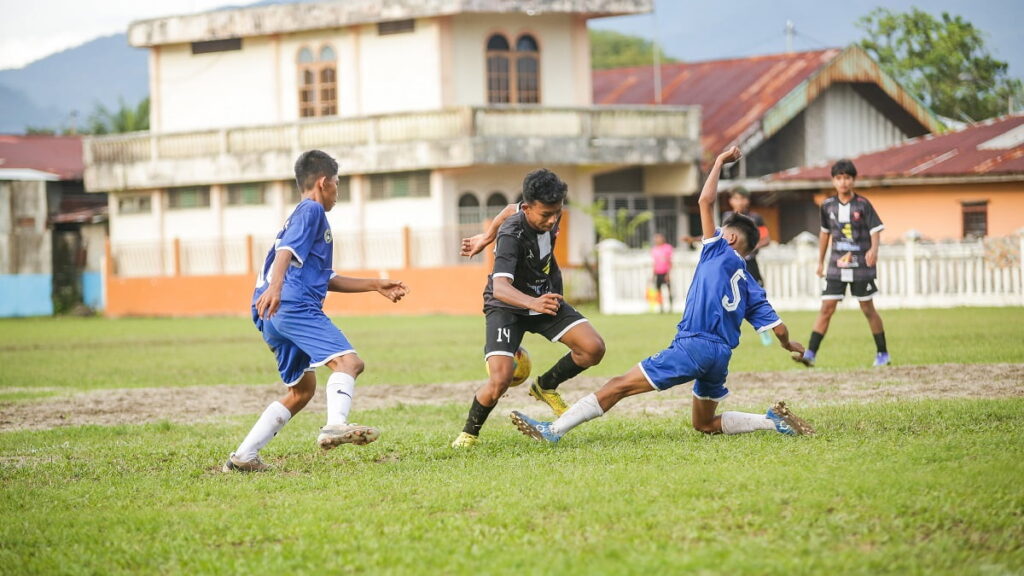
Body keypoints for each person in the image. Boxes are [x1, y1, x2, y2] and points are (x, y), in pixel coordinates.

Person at [508, 147, 814, 445]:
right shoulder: (750, 282)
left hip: (694, 344)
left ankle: (554, 430)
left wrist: (720, 160)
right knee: (705, 423)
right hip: (721, 356)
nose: (714, 233)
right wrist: (790, 345)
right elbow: (780, 329)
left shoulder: (718, 249)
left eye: (720, 231)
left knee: (619, 386)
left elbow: (705, 200)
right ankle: (771, 421)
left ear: (730, 238)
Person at [223, 150, 409, 472]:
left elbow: (325, 277)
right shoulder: (311, 210)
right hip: (291, 304)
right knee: (350, 362)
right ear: (323, 183)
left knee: (301, 391)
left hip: (273, 314)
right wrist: (277, 288)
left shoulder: (302, 215)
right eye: (337, 184)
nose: (338, 192)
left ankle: (244, 457)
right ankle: (336, 424)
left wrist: (374, 285)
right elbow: (285, 252)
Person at [453, 168, 606, 448]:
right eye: (545, 214)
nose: (551, 220)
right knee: (500, 379)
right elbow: (500, 287)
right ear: (527, 208)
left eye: (556, 213)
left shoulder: (540, 214)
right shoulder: (512, 234)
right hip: (506, 305)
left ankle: (545, 386)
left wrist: (485, 236)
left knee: (593, 348)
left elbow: (507, 209)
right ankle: (468, 434)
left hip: (542, 296)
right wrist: (495, 238)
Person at [795, 159, 889, 368]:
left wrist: (874, 250)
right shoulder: (827, 206)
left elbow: (876, 230)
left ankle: (883, 353)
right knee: (826, 308)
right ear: (834, 181)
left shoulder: (863, 204)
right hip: (836, 266)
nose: (843, 182)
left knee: (867, 308)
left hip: (861, 267)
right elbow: (824, 234)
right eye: (839, 178)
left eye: (847, 178)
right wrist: (820, 262)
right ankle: (810, 353)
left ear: (853, 180)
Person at [721, 186, 770, 286]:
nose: (739, 202)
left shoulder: (755, 218)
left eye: (742, 198)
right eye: (736, 199)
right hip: (730, 262)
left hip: (749, 262)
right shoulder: (726, 217)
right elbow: (719, 235)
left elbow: (766, 239)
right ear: (730, 201)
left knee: (754, 290)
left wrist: (750, 247)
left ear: (748, 200)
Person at [651, 233, 674, 313]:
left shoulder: (668, 248)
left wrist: (668, 273)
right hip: (658, 272)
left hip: (665, 272)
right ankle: (661, 308)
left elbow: (669, 261)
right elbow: (654, 263)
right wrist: (653, 274)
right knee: (659, 291)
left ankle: (671, 307)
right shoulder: (654, 249)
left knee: (669, 290)